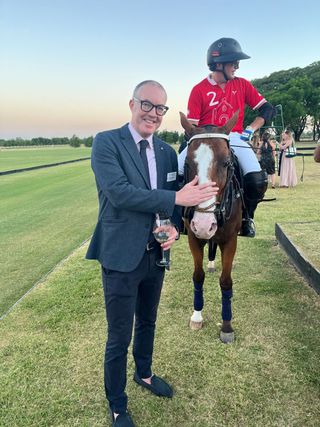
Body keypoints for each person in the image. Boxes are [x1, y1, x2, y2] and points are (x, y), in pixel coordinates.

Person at [86, 80, 219, 427]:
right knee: (119, 336)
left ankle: (143, 373)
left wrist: (175, 224)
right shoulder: (106, 143)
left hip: (155, 254)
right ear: (131, 104)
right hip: (120, 256)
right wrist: (177, 201)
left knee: (147, 321)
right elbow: (120, 193)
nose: (154, 114)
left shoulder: (164, 152)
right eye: (147, 105)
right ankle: (117, 405)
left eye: (160, 108)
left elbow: (175, 193)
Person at [178, 37, 276, 237]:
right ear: (218, 64)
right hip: (204, 140)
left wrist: (251, 128)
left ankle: (248, 218)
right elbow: (193, 125)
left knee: (256, 179)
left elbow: (267, 109)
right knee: (175, 172)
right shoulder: (199, 90)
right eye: (234, 63)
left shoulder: (242, 85)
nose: (237, 67)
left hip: (235, 138)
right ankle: (180, 217)